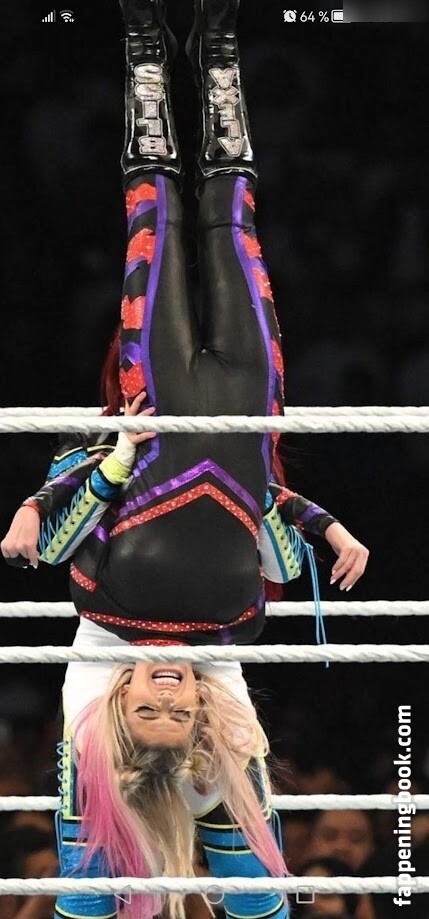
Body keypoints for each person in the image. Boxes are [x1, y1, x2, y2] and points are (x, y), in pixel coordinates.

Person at [1, 2, 369, 918]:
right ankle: (218, 46)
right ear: (202, 716)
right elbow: (261, 503)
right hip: (248, 404)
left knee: (157, 214)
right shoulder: (224, 646)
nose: (166, 698)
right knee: (231, 219)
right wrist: (328, 526)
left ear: (118, 711)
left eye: (149, 711)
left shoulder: (103, 639)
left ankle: (141, 44)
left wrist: (54, 497)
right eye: (180, 713)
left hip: (157, 405)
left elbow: (65, 514)